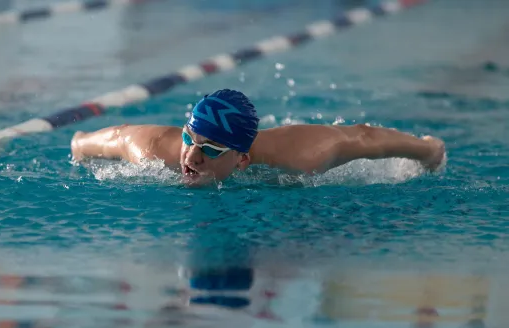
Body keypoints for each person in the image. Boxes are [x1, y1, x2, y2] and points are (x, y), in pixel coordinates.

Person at [70, 89, 446, 186]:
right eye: (190, 140)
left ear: (242, 159)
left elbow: (363, 138)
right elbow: (109, 137)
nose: (191, 157)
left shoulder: (303, 156)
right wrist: (79, 145)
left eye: (210, 149)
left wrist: (428, 150)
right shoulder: (152, 149)